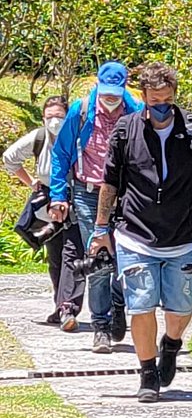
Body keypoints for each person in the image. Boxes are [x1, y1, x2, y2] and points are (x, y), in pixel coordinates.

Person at [89, 61, 192, 402]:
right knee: (141, 305)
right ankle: (147, 373)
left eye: (167, 101)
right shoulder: (125, 130)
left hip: (181, 237)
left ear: (174, 96)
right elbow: (110, 182)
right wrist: (101, 229)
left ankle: (171, 344)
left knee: (180, 311)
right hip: (135, 234)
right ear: (144, 99)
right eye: (154, 102)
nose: (161, 108)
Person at [49, 62, 141, 349]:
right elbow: (61, 154)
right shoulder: (81, 110)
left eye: (116, 93)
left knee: (125, 257)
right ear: (98, 86)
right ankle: (101, 324)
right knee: (100, 256)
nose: (111, 99)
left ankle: (118, 305)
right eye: (106, 92)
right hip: (88, 193)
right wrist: (58, 195)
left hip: (125, 195)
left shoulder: (136, 111)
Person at [4, 95, 69, 323]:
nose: (54, 122)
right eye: (50, 117)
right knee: (56, 256)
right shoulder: (39, 137)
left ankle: (94, 308)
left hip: (77, 199)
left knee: (78, 255)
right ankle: (61, 306)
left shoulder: (77, 136)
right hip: (50, 204)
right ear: (43, 118)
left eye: (59, 116)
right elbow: (9, 158)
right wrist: (31, 181)